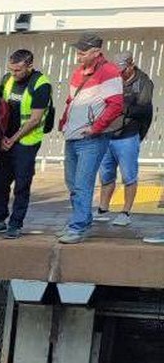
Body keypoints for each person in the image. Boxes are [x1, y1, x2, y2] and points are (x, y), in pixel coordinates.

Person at [58, 32, 124, 245]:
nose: (78, 56)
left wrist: (96, 128)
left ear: (96, 52)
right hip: (73, 135)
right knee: (72, 182)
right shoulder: (78, 73)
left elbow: (115, 105)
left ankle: (78, 227)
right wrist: (64, 122)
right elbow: (71, 100)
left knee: (82, 183)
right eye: (77, 52)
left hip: (91, 137)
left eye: (83, 52)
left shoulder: (109, 72)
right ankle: (81, 221)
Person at [0, 50, 52, 240]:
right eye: (11, 69)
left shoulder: (41, 84)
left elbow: (35, 119)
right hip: (6, 140)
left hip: (27, 142)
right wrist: (2, 136)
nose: (14, 74)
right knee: (0, 181)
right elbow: (1, 110)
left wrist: (13, 139)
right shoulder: (7, 80)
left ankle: (15, 223)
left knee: (22, 184)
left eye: (18, 70)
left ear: (29, 66)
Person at [95, 51, 154, 227]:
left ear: (131, 65)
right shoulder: (111, 79)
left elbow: (144, 109)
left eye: (122, 69)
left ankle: (126, 212)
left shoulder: (143, 82)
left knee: (129, 176)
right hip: (107, 134)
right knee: (106, 174)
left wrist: (121, 108)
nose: (119, 73)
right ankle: (103, 209)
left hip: (128, 135)